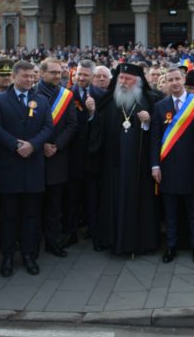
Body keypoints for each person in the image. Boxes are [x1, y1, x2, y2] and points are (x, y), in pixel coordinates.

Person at [89, 62, 161, 255]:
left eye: (127, 79)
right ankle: (113, 240)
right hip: (114, 164)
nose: (123, 82)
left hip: (141, 166)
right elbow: (97, 130)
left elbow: (160, 133)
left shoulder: (150, 100)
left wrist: (148, 122)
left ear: (137, 82)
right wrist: (92, 114)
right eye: (120, 78)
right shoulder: (108, 101)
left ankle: (141, 242)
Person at [0, 60, 53, 277]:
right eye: (25, 76)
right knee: (8, 216)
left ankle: (28, 255)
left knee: (31, 216)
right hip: (10, 166)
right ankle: (7, 257)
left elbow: (48, 127)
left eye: (32, 76)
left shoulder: (41, 100)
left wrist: (33, 145)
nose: (30, 79)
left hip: (33, 166)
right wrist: (16, 145)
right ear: (14, 77)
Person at [150, 67, 194, 264]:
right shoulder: (160, 106)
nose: (174, 83)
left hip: (192, 166)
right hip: (168, 168)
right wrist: (155, 166)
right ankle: (171, 247)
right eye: (170, 80)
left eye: (177, 79)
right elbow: (155, 139)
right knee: (170, 212)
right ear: (165, 83)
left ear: (183, 80)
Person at [36, 57, 78, 258]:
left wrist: (56, 145)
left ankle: (52, 242)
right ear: (42, 73)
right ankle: (32, 244)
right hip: (35, 157)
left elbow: (72, 125)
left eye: (59, 71)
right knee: (34, 206)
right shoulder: (32, 93)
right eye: (53, 72)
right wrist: (41, 145)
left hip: (58, 157)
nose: (57, 75)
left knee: (54, 205)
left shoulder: (66, 95)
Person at [64, 59, 102, 248]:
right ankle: (70, 233)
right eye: (79, 74)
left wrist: (93, 113)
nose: (81, 77)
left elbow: (104, 127)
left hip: (92, 157)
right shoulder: (66, 96)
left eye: (85, 75)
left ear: (92, 77)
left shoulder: (102, 96)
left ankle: (95, 233)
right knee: (71, 198)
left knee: (93, 198)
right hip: (71, 156)